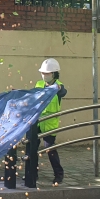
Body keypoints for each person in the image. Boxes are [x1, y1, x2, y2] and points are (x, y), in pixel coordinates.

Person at [25, 58, 67, 186]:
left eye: (47, 73)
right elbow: (31, 95)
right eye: (43, 73)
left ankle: (59, 175)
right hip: (36, 122)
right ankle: (31, 174)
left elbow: (63, 92)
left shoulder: (59, 87)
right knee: (31, 148)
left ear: (54, 74)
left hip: (49, 124)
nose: (44, 76)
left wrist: (57, 88)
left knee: (50, 149)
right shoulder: (38, 84)